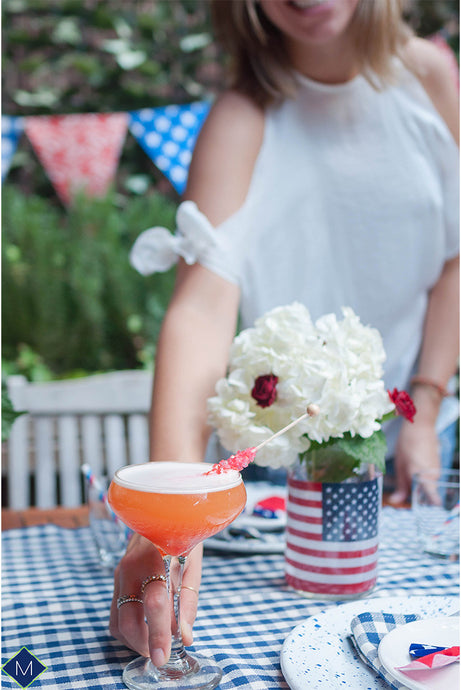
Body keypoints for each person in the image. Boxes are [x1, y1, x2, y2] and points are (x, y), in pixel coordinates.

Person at [111, 0, 459, 669]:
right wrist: (168, 515)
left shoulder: (429, 75)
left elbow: (456, 255)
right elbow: (200, 310)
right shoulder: (240, 119)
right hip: (284, 466)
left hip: (414, 436)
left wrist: (426, 406)